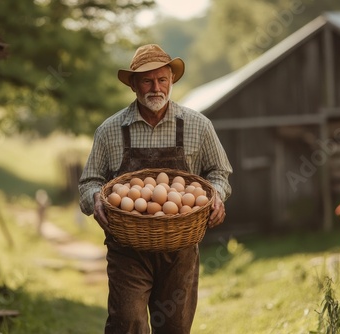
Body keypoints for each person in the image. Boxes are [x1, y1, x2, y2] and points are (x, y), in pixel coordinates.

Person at [79, 44, 232, 334]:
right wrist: (96, 200)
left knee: (174, 327)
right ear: (134, 85)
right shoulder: (110, 130)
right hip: (127, 249)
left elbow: (219, 173)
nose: (156, 87)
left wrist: (217, 196)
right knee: (128, 320)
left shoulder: (198, 125)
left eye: (162, 79)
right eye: (147, 80)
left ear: (171, 81)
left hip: (180, 249)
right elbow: (90, 182)